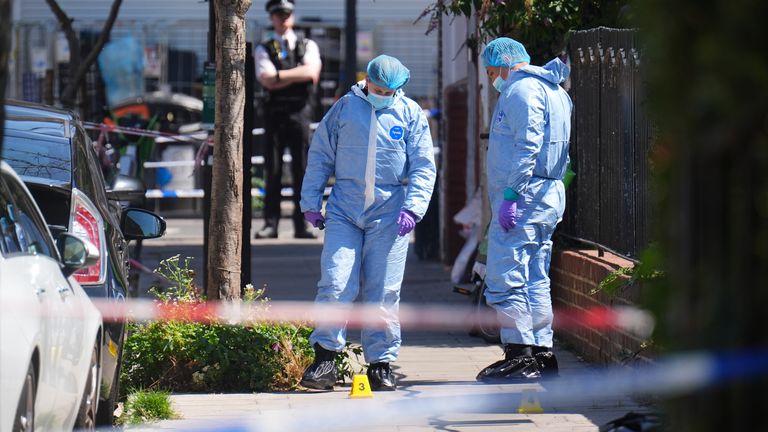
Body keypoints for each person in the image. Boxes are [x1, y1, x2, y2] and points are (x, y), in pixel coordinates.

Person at [298, 55, 436, 391]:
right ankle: (325, 359)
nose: (382, 95)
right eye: (377, 89)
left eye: (389, 91)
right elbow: (320, 155)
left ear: (399, 88)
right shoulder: (345, 108)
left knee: (384, 290)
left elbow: (422, 165)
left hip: (390, 211)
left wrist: (413, 208)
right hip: (345, 207)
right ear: (367, 81)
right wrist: (310, 201)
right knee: (335, 281)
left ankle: (381, 363)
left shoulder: (410, 114)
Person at [476, 37, 573, 381]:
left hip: (524, 198)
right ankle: (543, 353)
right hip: (547, 196)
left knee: (506, 277)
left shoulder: (519, 92)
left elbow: (527, 145)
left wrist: (512, 195)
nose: (492, 79)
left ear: (504, 64)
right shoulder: (557, 92)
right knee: (535, 278)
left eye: (491, 71)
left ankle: (518, 353)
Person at [254, 0, 321, 239]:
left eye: (286, 14)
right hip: (274, 114)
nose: (283, 19)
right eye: (278, 15)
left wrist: (280, 76)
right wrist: (296, 75)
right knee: (272, 170)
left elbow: (312, 73)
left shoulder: (307, 45)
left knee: (302, 169)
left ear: (292, 16)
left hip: (300, 113)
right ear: (271, 18)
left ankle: (302, 224)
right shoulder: (264, 47)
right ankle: (271, 223)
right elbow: (265, 78)